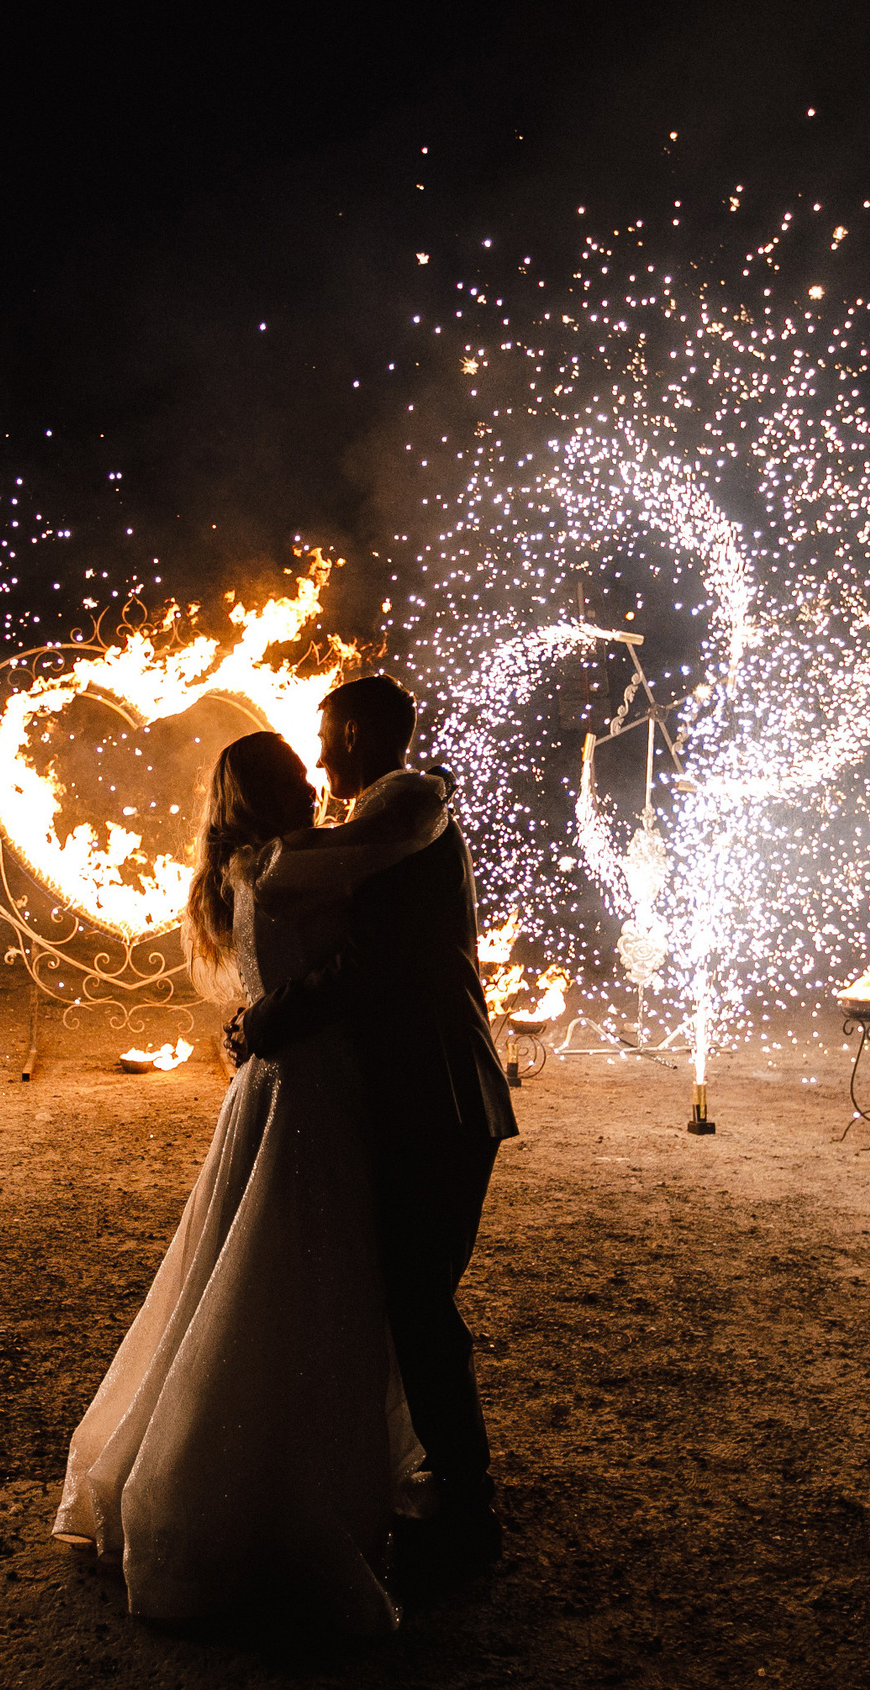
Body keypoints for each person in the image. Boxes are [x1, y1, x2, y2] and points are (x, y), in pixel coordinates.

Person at [51, 727, 454, 1633]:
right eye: (301, 773)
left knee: (249, 1264)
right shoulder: (285, 863)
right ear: (277, 791)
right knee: (309, 1274)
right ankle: (276, 1495)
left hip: (271, 1082)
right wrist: (416, 777)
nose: (317, 782)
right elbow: (403, 831)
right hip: (313, 1083)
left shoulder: (238, 867)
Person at [230, 673, 518, 1587]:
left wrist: (269, 1019)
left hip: (433, 1090)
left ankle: (469, 1511)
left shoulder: (398, 826)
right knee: (415, 1293)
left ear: (356, 732)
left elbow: (370, 966)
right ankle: (449, 1481)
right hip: (438, 1088)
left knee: (420, 1301)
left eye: (325, 737)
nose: (317, 758)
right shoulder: (385, 829)